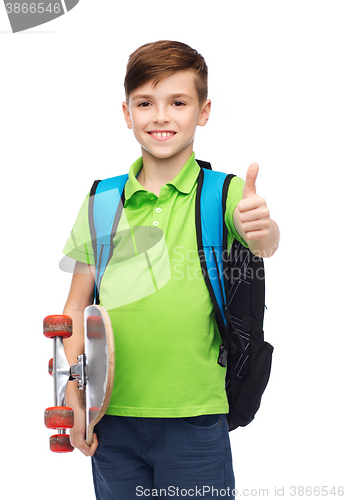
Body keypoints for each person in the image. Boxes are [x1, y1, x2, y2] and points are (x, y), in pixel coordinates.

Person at [61, 40, 280, 500]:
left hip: (195, 419)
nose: (161, 116)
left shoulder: (224, 193)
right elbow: (75, 309)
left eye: (178, 102)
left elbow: (264, 243)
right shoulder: (101, 200)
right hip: (110, 419)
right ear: (127, 113)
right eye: (146, 103)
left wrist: (261, 228)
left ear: (203, 112)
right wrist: (74, 395)